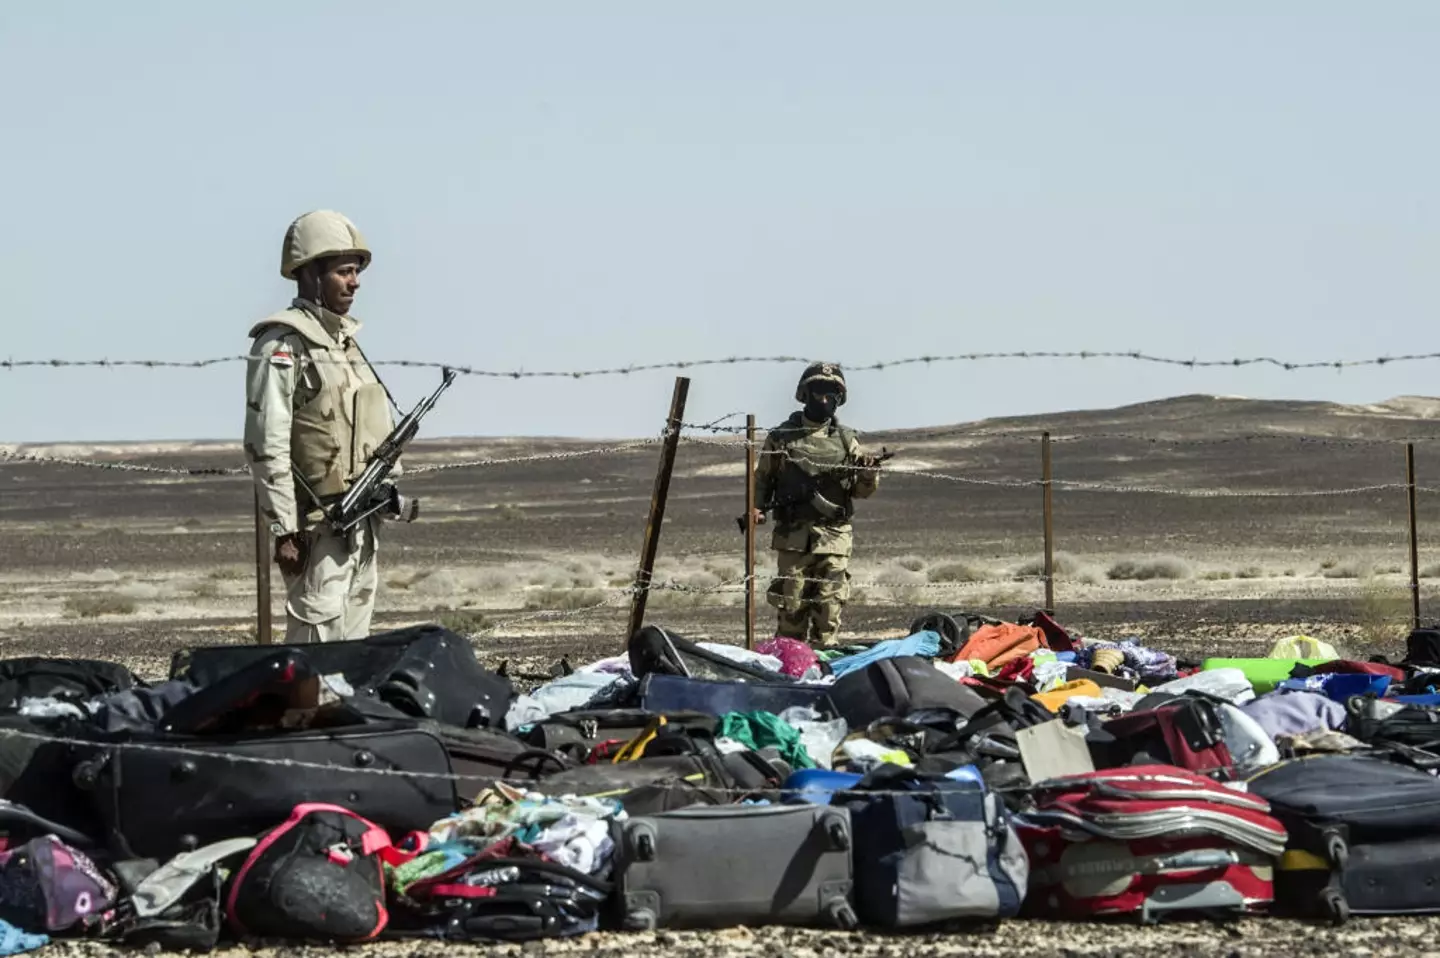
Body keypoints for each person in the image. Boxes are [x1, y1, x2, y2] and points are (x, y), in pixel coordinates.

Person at [243, 209, 402, 643]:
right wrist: (283, 530)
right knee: (314, 661)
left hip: (362, 528)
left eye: (356, 272)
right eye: (343, 272)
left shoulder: (348, 345)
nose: (355, 283)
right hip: (316, 532)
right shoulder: (282, 343)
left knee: (354, 661)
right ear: (311, 274)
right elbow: (266, 442)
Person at [751, 362, 883, 648]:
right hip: (793, 537)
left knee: (829, 608)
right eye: (819, 391)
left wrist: (869, 474)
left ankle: (824, 665)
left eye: (832, 393)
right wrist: (757, 507)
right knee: (792, 608)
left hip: (834, 536)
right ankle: (790, 666)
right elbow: (762, 479)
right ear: (805, 394)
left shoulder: (848, 440)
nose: (825, 399)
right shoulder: (781, 437)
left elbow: (861, 492)